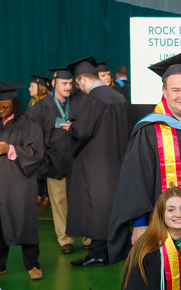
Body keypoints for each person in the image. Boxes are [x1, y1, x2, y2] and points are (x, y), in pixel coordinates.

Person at [107, 54, 181, 263]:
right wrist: (138, 223)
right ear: (164, 91)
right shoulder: (149, 129)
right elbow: (135, 179)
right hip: (159, 225)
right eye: (176, 90)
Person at [65, 56, 129, 267]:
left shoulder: (94, 99)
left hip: (96, 164)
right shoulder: (118, 97)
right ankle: (115, 251)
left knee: (96, 210)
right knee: (113, 209)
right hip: (117, 161)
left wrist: (70, 128)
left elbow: (82, 131)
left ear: (82, 79)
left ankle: (98, 254)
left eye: (77, 83)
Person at [24, 68, 79, 254]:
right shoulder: (39, 108)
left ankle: (88, 236)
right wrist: (44, 159)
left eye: (71, 84)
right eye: (64, 84)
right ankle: (65, 240)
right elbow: (32, 136)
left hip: (77, 160)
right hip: (54, 161)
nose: (68, 87)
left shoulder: (78, 102)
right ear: (54, 84)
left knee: (81, 200)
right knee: (59, 201)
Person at [0, 81, 44, 280]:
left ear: (14, 105)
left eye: (5, 107)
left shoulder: (29, 125)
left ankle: (32, 264)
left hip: (19, 184)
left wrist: (11, 149)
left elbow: (37, 152)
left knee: (25, 222)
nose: (1, 111)